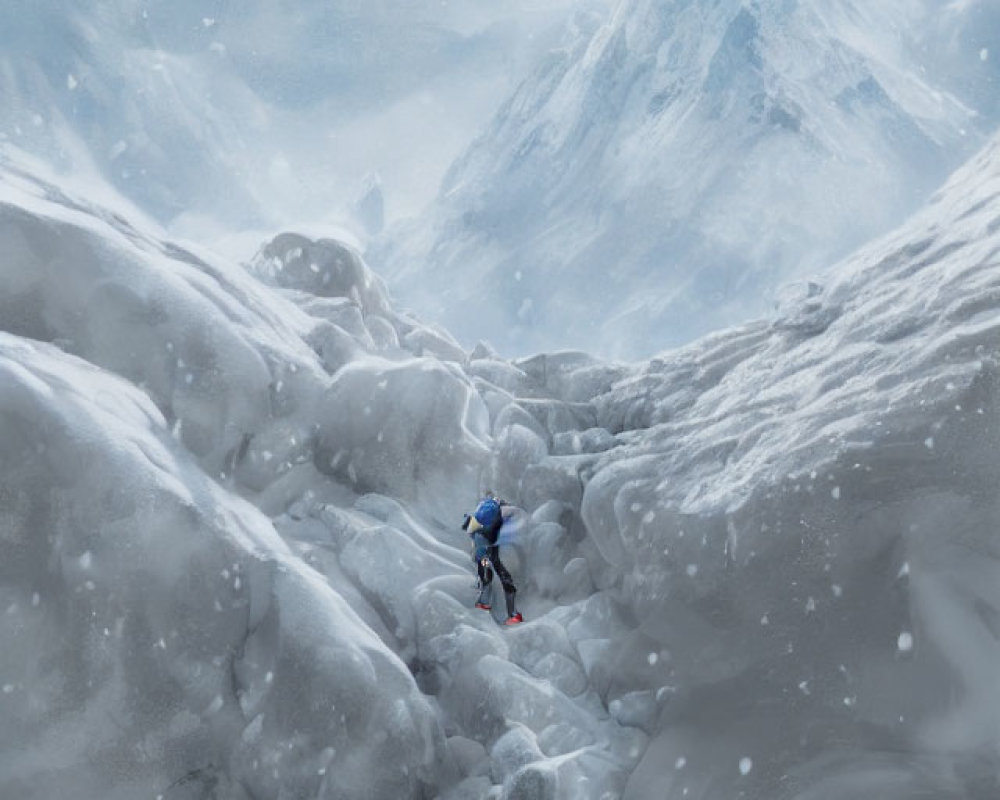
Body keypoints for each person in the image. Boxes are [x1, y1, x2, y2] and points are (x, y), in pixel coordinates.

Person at [462, 491, 523, 625]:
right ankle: (511, 614)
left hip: (487, 544)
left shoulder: (480, 514)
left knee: (488, 568)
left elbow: (474, 539)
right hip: (493, 543)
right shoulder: (496, 510)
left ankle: (488, 604)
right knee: (498, 571)